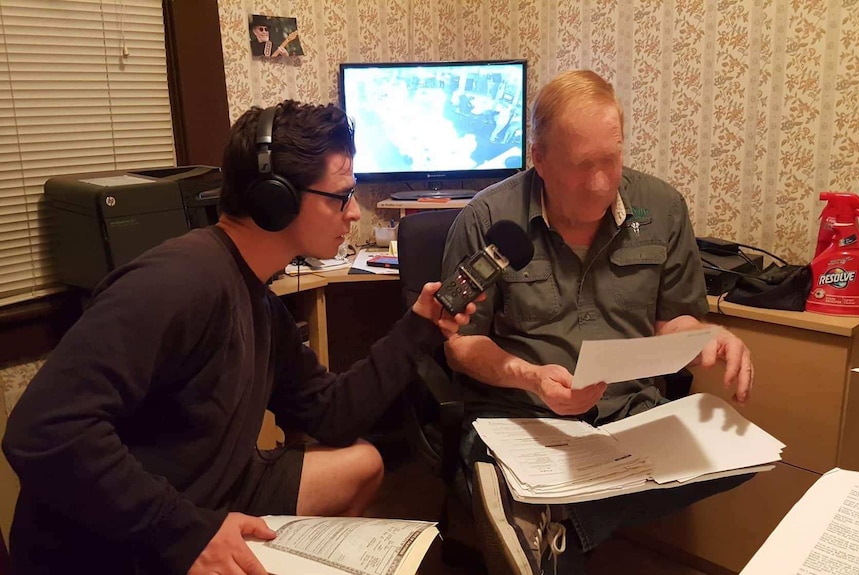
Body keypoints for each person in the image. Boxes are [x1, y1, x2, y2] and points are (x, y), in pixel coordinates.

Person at [2, 100, 479, 574]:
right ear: (276, 200)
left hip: (214, 484)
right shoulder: (178, 282)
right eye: (341, 196)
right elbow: (43, 431)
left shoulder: (258, 300)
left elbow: (332, 414)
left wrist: (419, 327)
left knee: (362, 465)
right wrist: (185, 533)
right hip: (114, 536)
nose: (353, 213)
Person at [440, 69, 755, 575]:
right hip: (520, 417)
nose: (602, 183)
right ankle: (551, 523)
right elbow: (461, 345)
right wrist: (532, 377)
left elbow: (672, 324)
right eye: (582, 166)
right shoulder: (486, 219)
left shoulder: (663, 209)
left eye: (611, 160)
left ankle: (561, 518)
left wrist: (708, 337)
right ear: (538, 157)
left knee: (738, 456)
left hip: (628, 415)